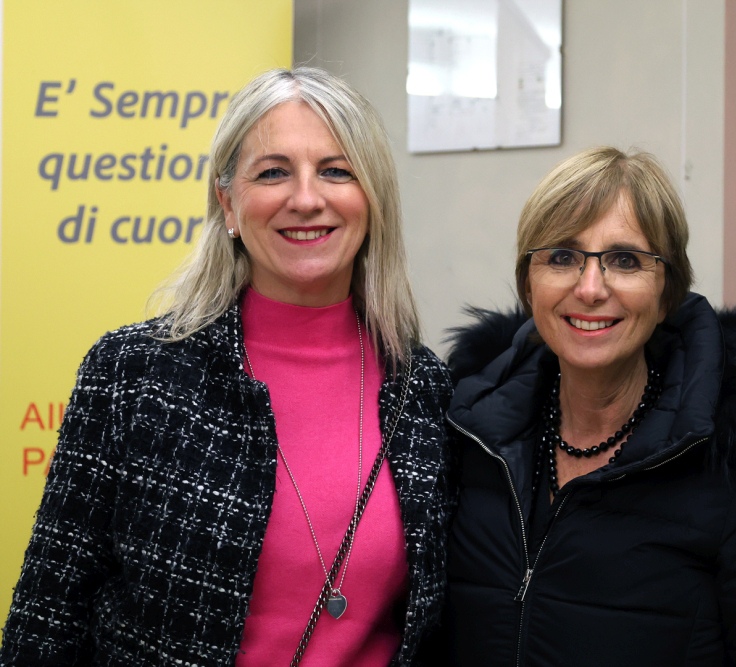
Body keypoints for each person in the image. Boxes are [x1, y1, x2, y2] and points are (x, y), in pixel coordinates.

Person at [0, 67, 452, 666]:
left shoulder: (423, 387)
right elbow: (46, 618)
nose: (306, 198)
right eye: (273, 172)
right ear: (228, 204)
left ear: (373, 199)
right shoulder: (133, 375)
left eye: (336, 171)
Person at [443, 147, 736, 665]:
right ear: (527, 283)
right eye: (561, 256)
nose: (590, 288)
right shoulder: (467, 436)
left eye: (625, 260)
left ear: (666, 293)